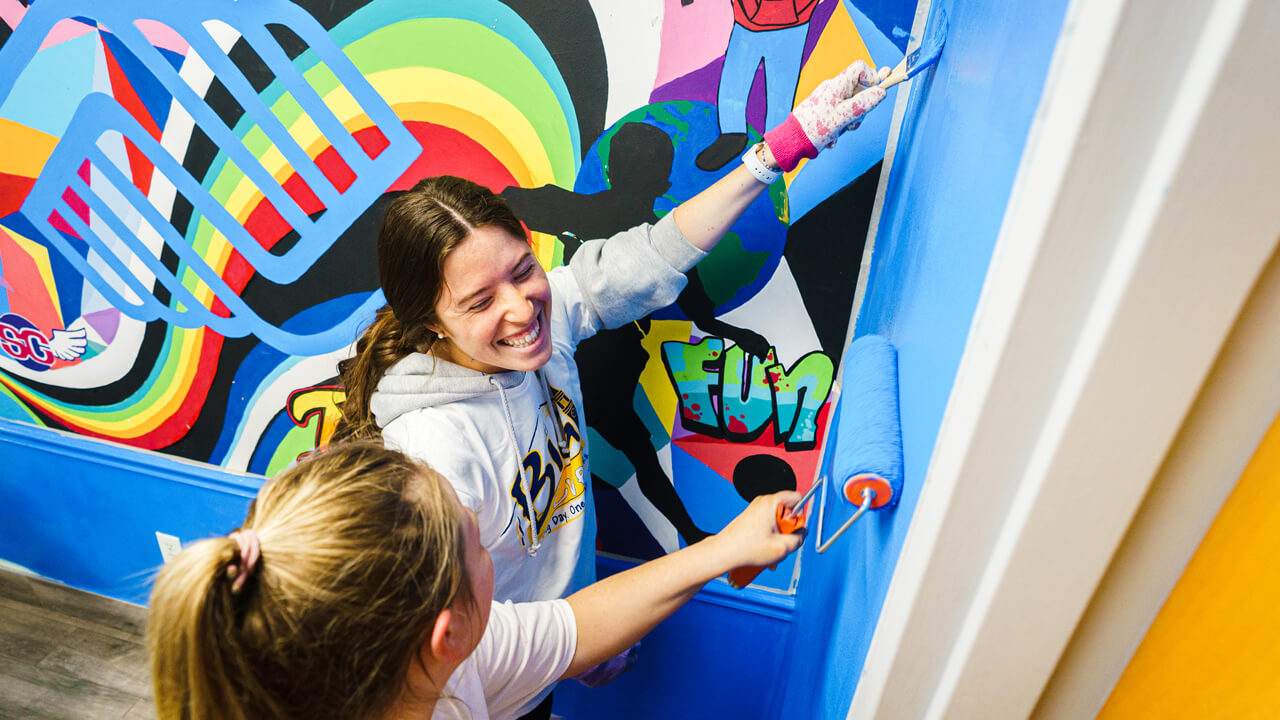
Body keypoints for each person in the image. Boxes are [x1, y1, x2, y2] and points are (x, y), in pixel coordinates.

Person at [332, 59, 887, 716]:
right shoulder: (431, 456)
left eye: (523, 271)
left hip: (548, 662)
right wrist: (580, 639)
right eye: (481, 301)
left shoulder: (549, 317)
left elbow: (654, 252)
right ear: (432, 323)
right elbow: (460, 647)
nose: (521, 307)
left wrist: (782, 149)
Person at [147, 442, 803, 720]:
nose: (491, 546)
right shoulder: (437, 664)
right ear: (447, 633)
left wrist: (723, 549)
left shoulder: (418, 663)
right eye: (480, 546)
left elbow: (573, 629)